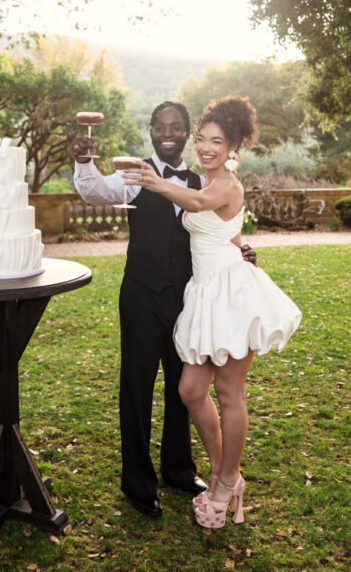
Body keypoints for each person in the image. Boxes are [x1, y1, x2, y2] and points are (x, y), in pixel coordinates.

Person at [70, 101, 257, 518]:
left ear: (185, 131)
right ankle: (138, 482)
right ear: (152, 129)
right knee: (135, 389)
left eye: (177, 127)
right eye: (161, 126)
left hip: (188, 298)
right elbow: (94, 190)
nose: (168, 133)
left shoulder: (200, 181)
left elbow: (216, 223)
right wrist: (84, 161)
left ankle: (178, 468)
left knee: (184, 389)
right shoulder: (133, 173)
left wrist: (241, 249)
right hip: (139, 294)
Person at [122, 96, 302, 529]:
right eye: (201, 138)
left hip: (230, 293)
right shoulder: (207, 181)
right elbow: (228, 227)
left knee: (228, 394)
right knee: (190, 391)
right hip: (202, 292)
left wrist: (152, 180)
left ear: (233, 146)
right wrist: (241, 244)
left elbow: (200, 207)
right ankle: (228, 476)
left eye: (216, 141)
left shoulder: (223, 183)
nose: (206, 147)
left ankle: (224, 486)